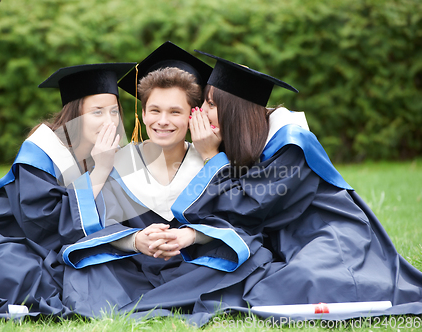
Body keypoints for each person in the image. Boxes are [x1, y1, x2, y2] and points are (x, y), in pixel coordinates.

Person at [177, 50, 422, 322]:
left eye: (211, 105)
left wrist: (211, 157)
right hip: (287, 240)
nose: (201, 114)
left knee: (305, 282)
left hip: (329, 233)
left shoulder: (290, 144)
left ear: (235, 110)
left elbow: (247, 208)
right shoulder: (241, 142)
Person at [60, 42, 269, 324]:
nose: (162, 121)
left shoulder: (212, 162)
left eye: (175, 112)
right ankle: (174, 301)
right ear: (142, 113)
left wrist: (191, 236)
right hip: (130, 268)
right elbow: (81, 230)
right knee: (85, 268)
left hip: (191, 266)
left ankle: (149, 303)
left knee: (254, 258)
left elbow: (238, 224)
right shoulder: (117, 161)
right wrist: (134, 240)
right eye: (154, 111)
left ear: (194, 115)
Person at [0, 62, 136, 317]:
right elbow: (45, 224)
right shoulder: (42, 151)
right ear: (75, 116)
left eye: (114, 111)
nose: (109, 121)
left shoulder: (105, 155)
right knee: (30, 272)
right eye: (97, 112)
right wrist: (99, 171)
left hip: (29, 245)